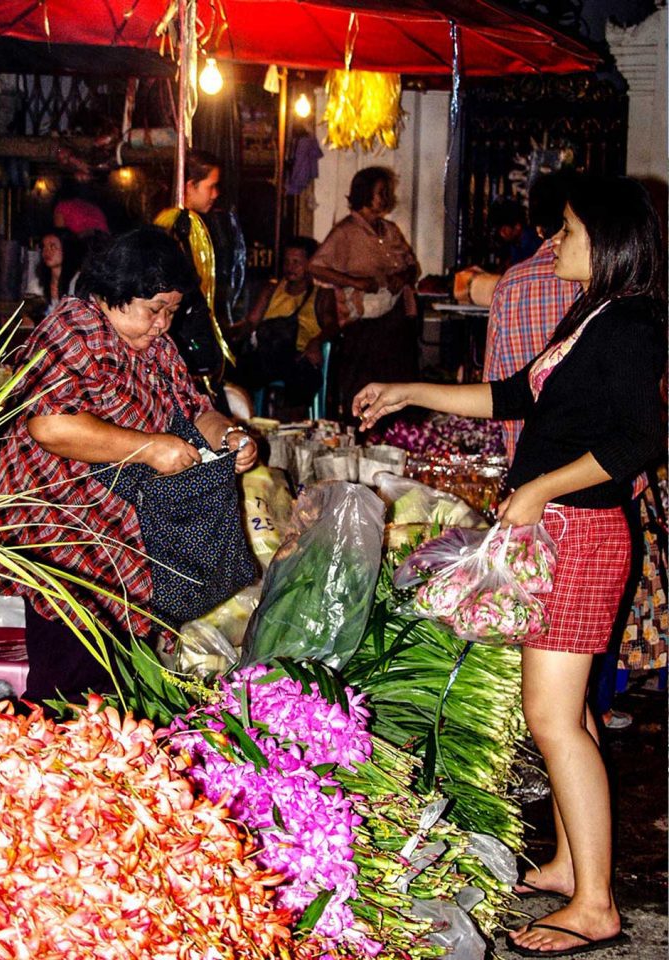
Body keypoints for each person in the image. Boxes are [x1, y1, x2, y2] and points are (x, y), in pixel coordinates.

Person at [353, 175, 665, 958]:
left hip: (582, 534)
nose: (552, 243)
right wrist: (407, 391)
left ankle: (595, 904)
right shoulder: (590, 314)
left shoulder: (630, 325)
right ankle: (569, 864)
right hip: (558, 531)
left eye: (567, 230)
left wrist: (542, 490)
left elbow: (638, 443)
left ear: (612, 241)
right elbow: (510, 397)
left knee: (551, 719)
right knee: (572, 718)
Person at [0, 227, 257, 705]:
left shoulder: (154, 348)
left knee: (115, 678)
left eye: (171, 312)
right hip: (63, 532)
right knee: (69, 677)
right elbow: (50, 425)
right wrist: (150, 447)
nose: (163, 325)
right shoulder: (72, 330)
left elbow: (196, 408)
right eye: (155, 310)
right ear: (115, 292)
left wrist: (229, 436)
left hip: (123, 536)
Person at [309, 166, 420, 420]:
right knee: (364, 386)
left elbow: (411, 265)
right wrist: (354, 281)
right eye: (380, 192)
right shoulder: (345, 232)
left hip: (395, 317)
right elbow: (316, 266)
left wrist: (402, 277)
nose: (384, 197)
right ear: (365, 193)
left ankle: (398, 435)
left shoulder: (389, 230)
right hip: (363, 324)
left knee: (398, 382)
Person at [483, 172, 579, 462]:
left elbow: (493, 382)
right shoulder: (600, 284)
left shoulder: (514, 282)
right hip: (588, 466)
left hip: (531, 455)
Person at [155, 150, 235, 410]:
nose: (215, 194)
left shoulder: (168, 225)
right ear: (189, 185)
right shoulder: (182, 227)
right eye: (211, 186)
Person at [234, 236, 332, 415]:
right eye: (287, 261)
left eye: (297, 262)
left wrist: (315, 343)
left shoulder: (321, 295)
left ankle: (288, 420)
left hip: (299, 358)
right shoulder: (271, 289)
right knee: (235, 368)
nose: (290, 267)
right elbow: (252, 322)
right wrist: (230, 336)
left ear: (310, 263)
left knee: (303, 377)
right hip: (269, 355)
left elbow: (332, 326)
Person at [27, 228, 84, 315]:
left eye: (53, 247)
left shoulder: (79, 282)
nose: (47, 251)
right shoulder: (36, 285)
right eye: (44, 247)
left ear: (67, 249)